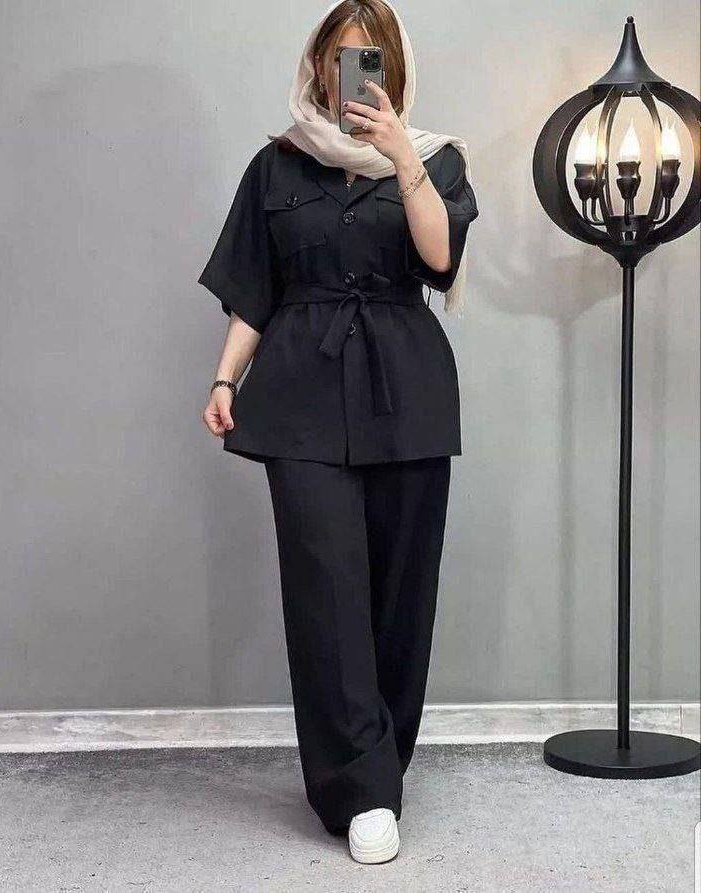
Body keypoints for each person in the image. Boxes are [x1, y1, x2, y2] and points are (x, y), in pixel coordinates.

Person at [197, 0, 478, 864]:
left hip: (407, 391)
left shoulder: (434, 157)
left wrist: (401, 156)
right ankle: (361, 791)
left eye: (369, 57)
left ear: (393, 69)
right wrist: (225, 376)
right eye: (338, 56)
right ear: (318, 65)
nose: (350, 72)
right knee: (325, 590)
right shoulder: (276, 165)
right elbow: (255, 288)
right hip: (301, 393)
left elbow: (439, 259)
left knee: (400, 595)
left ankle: (380, 766)